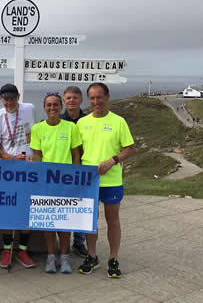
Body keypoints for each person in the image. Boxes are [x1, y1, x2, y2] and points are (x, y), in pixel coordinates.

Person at [76, 83, 136, 278]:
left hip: (111, 180)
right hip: (88, 181)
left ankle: (113, 257)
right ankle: (92, 256)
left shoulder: (119, 121)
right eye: (92, 98)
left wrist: (113, 160)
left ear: (107, 97)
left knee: (113, 220)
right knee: (89, 221)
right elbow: (77, 152)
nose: (96, 102)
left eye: (99, 97)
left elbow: (130, 148)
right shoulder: (82, 123)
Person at [31, 93, 82, 274]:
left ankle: (65, 257)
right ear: (44, 107)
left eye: (55, 105)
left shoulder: (70, 127)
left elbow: (76, 154)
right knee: (48, 222)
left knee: (65, 222)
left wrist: (75, 178)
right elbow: (37, 155)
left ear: (61, 107)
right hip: (46, 183)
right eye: (48, 105)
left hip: (66, 182)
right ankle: (51, 257)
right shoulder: (37, 129)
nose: (52, 108)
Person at [0, 83, 36, 269]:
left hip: (28, 169)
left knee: (26, 211)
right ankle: (7, 249)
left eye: (12, 98)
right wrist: (12, 158)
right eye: (5, 98)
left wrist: (33, 154)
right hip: (8, 171)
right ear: (1, 99)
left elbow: (35, 134)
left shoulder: (29, 109)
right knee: (9, 211)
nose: (9, 102)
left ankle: (22, 250)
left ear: (18, 96)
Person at [61, 86, 88, 257]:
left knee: (82, 207)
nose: (71, 100)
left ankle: (79, 242)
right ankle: (62, 244)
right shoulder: (57, 119)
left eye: (75, 97)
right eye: (68, 98)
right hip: (62, 172)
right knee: (63, 208)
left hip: (83, 170)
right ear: (64, 101)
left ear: (81, 100)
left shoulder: (88, 120)